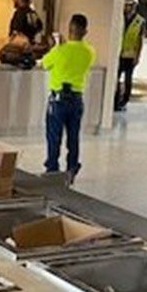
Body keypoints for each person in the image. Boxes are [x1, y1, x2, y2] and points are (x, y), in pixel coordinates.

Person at [40, 13, 95, 181]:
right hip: (77, 100)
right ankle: (71, 167)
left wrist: (55, 47)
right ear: (85, 31)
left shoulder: (60, 50)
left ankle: (52, 169)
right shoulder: (89, 52)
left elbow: (44, 63)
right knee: (73, 136)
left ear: (69, 28)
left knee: (54, 136)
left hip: (57, 101)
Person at [114, 0, 145, 111]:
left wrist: (138, 56)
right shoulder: (120, 18)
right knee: (116, 79)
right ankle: (115, 101)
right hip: (119, 54)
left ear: (134, 6)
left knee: (128, 79)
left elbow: (140, 40)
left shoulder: (140, 21)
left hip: (130, 56)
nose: (127, 8)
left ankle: (124, 101)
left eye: (129, 5)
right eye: (125, 5)